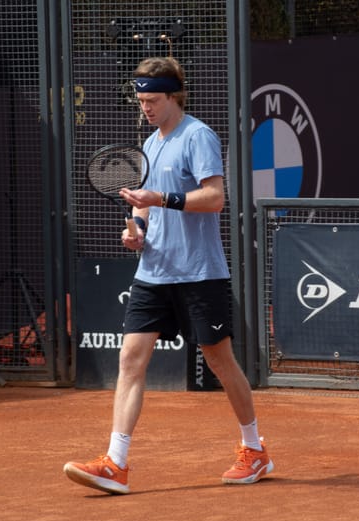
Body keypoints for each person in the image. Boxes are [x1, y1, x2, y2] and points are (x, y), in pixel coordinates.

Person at [63, 57, 273, 495]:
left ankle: (254, 450)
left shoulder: (198, 136)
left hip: (199, 273)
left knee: (219, 360)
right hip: (153, 271)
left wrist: (161, 197)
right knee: (130, 361)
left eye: (153, 100)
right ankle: (115, 463)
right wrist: (136, 228)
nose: (146, 108)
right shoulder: (151, 143)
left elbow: (215, 197)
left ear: (174, 95)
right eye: (140, 101)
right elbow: (143, 203)